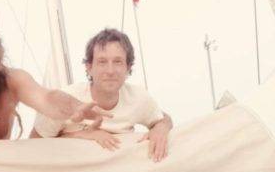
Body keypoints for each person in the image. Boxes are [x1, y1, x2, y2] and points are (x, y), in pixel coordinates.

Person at [32, 29, 172, 162]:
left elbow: (163, 119)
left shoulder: (138, 97)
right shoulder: (64, 100)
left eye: (117, 62)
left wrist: (160, 129)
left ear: (128, 68)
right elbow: (33, 146)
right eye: (102, 62)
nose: (110, 71)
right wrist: (80, 135)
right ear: (89, 67)